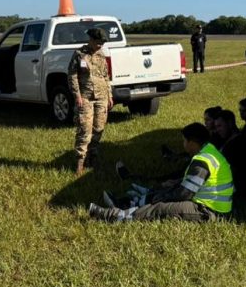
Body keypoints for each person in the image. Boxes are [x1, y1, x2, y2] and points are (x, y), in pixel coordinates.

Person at [89, 123, 234, 222]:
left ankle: (111, 215)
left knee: (159, 209)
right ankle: (126, 203)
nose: (183, 144)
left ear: (191, 143)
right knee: (169, 189)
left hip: (208, 211)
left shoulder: (202, 161)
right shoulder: (208, 151)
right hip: (205, 204)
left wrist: (161, 197)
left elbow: (183, 194)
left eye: (184, 141)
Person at [68, 27, 113, 176]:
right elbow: (72, 76)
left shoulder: (101, 55)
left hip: (101, 97)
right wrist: (77, 95)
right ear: (91, 40)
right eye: (98, 42)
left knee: (98, 128)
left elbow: (105, 76)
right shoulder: (79, 54)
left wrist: (109, 95)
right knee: (84, 130)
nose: (100, 46)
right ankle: (80, 162)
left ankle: (92, 159)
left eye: (102, 43)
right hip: (85, 97)